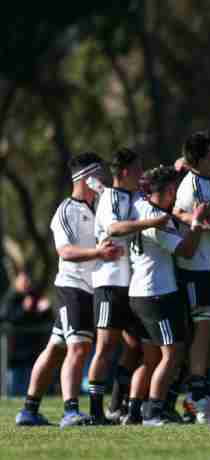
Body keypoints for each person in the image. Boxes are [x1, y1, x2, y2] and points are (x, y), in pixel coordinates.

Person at [16, 153, 122, 427]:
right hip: (72, 286)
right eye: (99, 175)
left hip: (92, 288)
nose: (104, 180)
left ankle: (29, 410)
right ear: (86, 179)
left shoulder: (100, 204)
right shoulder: (66, 210)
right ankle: (70, 411)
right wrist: (98, 252)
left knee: (55, 349)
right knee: (79, 347)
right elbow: (65, 251)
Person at [88, 147, 165, 424]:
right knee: (106, 346)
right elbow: (113, 229)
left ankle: (119, 405)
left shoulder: (132, 196)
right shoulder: (110, 196)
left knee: (137, 347)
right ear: (123, 172)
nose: (140, 173)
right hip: (109, 282)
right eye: (137, 168)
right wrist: (150, 222)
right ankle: (96, 411)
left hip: (132, 285)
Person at [127, 166, 209, 426]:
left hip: (141, 291)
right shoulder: (157, 219)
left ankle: (134, 412)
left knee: (151, 358)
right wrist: (196, 221)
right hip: (156, 294)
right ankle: (153, 413)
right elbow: (186, 251)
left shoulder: (138, 207)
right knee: (171, 353)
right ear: (170, 190)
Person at [172, 130, 210, 423]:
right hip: (196, 271)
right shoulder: (191, 186)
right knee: (203, 330)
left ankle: (199, 390)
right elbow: (180, 211)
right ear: (201, 159)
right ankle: (194, 394)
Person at [0, 270, 52, 396]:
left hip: (33, 349)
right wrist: (23, 309)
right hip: (15, 351)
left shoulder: (35, 296)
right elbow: (6, 317)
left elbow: (45, 319)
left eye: (27, 281)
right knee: (14, 383)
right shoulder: (11, 298)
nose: (25, 283)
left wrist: (45, 310)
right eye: (22, 281)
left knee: (31, 380)